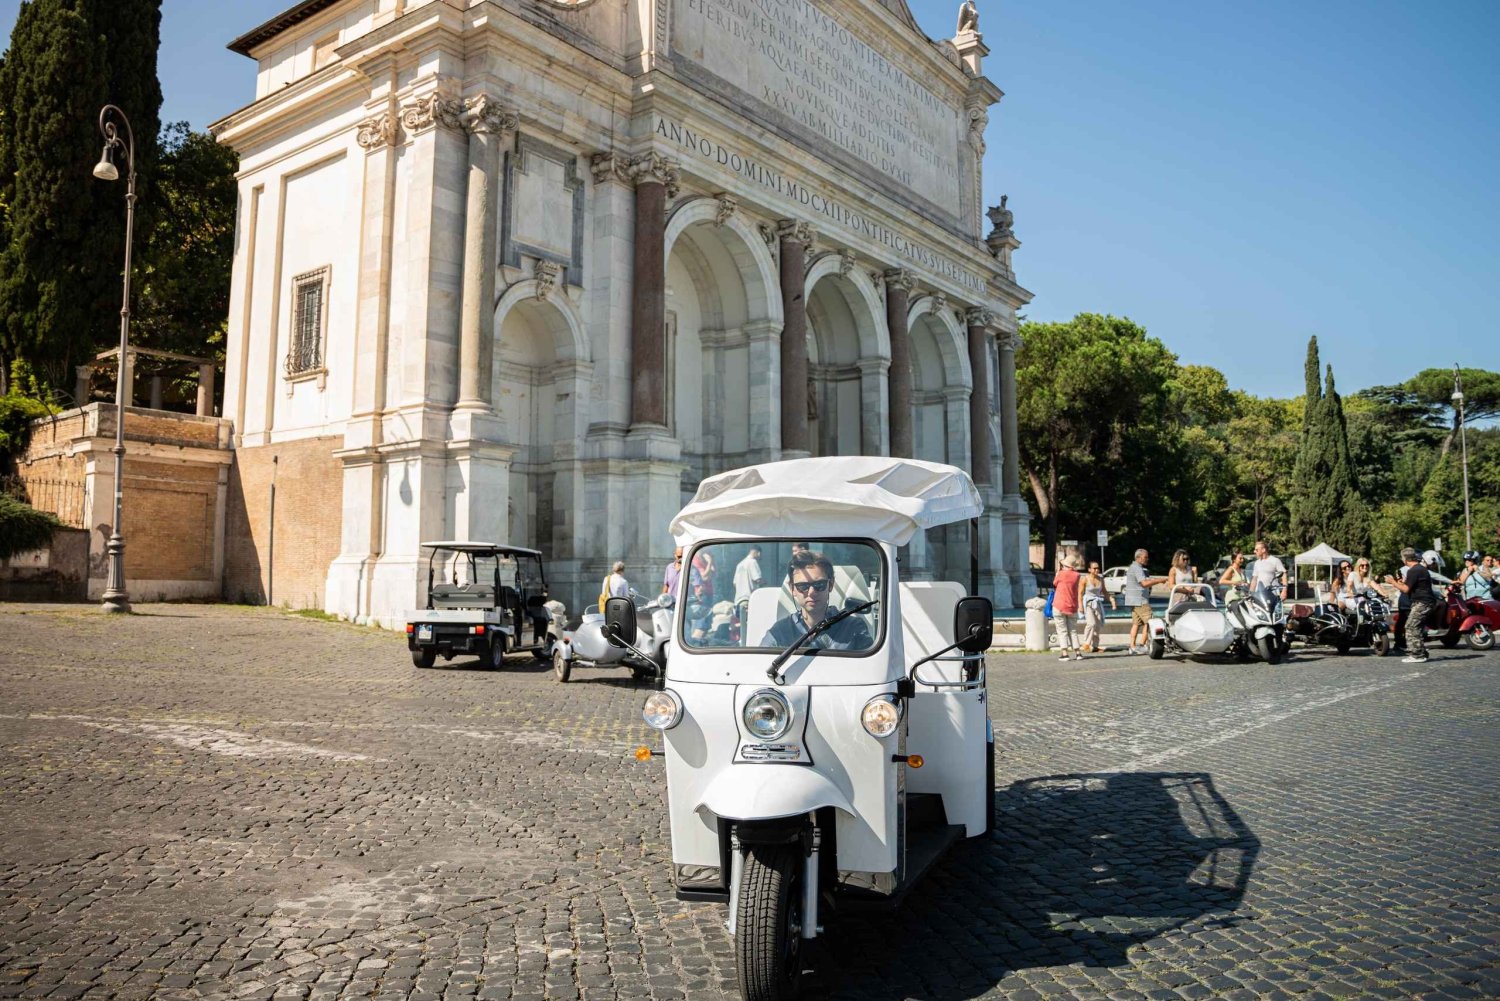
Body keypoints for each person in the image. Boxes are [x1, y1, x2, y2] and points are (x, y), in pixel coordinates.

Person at [761, 549, 873, 650]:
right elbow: (760, 666)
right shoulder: (779, 631)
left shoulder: (854, 628)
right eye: (802, 586)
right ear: (792, 588)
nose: (811, 592)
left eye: (819, 584)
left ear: (831, 584)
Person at [1386, 547, 1437, 663]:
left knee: (1410, 626)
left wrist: (1392, 582)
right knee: (1416, 627)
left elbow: (1405, 589)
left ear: (1405, 559)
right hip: (1426, 602)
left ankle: (1417, 655)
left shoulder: (1414, 570)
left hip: (1422, 602)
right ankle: (1422, 652)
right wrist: (1401, 581)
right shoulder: (1420, 569)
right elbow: (1412, 585)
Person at [1124, 549, 1167, 654]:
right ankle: (1142, 646)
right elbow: (1144, 583)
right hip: (1140, 600)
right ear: (1138, 557)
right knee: (1149, 622)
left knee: (1136, 623)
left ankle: (1132, 647)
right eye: (1145, 557)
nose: (1147, 559)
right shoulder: (1137, 568)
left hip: (1132, 600)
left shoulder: (1132, 567)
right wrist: (1159, 581)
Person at [1079, 559, 1116, 653]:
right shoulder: (1085, 579)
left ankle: (1095, 646)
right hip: (1088, 603)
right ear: (1089, 569)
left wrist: (1112, 600)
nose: (1097, 570)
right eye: (1094, 568)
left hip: (1097, 603)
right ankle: (1086, 644)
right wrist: (1080, 606)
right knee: (1091, 623)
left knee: (1098, 625)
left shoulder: (1100, 579)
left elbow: (1105, 592)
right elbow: (1079, 594)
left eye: (1098, 568)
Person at [1052, 555, 1083, 661]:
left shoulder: (1061, 574)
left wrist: (1057, 573)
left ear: (1065, 565)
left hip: (1059, 605)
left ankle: (1064, 653)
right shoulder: (1077, 575)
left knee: (1062, 630)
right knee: (1073, 630)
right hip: (1072, 606)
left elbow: (1054, 583)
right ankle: (1078, 653)